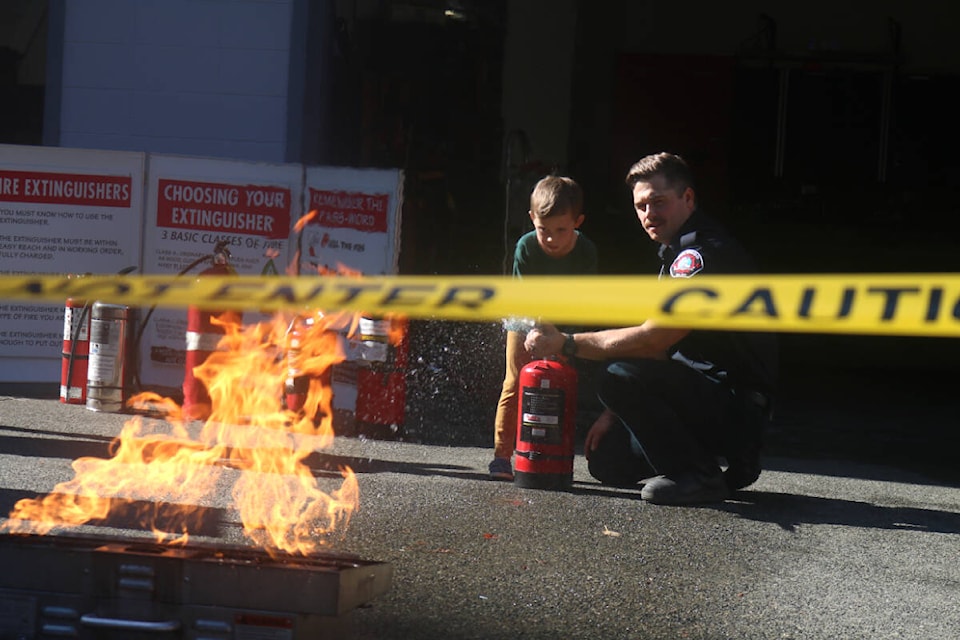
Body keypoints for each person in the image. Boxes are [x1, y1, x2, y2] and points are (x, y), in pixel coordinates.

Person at [524, 152, 777, 504]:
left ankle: (700, 476)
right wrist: (615, 412)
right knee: (608, 461)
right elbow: (662, 351)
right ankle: (719, 463)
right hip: (707, 398)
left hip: (733, 407)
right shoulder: (676, 253)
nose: (649, 215)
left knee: (617, 375)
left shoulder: (700, 256)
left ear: (687, 199)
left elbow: (654, 339)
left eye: (658, 202)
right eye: (641, 206)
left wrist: (565, 343)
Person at [489, 175, 599, 480]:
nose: (551, 239)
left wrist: (562, 339)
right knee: (514, 381)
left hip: (563, 323)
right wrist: (536, 329)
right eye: (543, 230)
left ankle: (553, 454)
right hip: (524, 319)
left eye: (561, 230)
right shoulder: (526, 247)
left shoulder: (586, 251)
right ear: (531, 219)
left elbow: (585, 300)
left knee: (559, 384)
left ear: (578, 221)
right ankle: (501, 455)